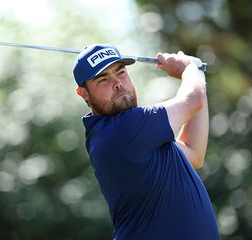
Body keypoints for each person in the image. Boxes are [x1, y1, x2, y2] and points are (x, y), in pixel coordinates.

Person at [73, 44, 220, 240]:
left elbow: (193, 153)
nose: (117, 83)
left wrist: (197, 77)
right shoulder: (123, 130)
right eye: (103, 80)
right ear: (84, 94)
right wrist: (188, 68)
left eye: (121, 72)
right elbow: (194, 98)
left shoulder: (134, 136)